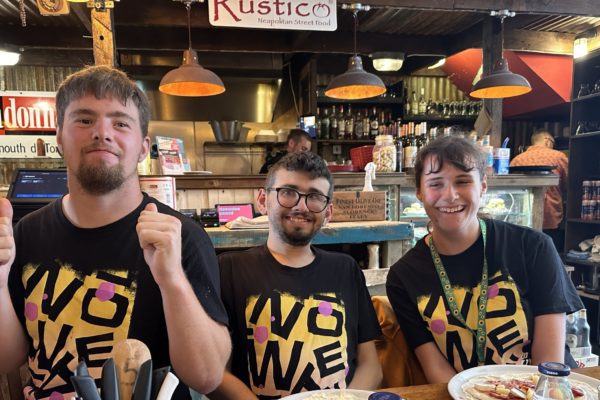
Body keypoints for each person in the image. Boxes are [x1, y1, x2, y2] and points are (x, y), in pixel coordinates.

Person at [0, 65, 231, 399]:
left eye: (120, 123)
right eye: (84, 119)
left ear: (142, 146)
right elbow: (9, 358)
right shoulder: (28, 233)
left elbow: (207, 377)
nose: (102, 133)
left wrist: (173, 281)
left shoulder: (182, 237)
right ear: (59, 139)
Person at [386, 136, 582, 384]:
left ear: (483, 187)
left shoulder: (533, 247)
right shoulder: (403, 277)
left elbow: (549, 365)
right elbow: (434, 368)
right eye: (436, 184)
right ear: (419, 193)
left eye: (463, 181)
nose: (450, 195)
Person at [211, 152, 382, 399]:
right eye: (288, 192)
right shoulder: (229, 269)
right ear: (263, 200)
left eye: (314, 197)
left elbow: (371, 366)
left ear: (328, 212)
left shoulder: (345, 269)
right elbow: (216, 373)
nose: (301, 206)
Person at [510, 130, 568, 250]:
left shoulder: (517, 159)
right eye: (553, 142)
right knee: (549, 253)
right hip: (550, 215)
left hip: (522, 215)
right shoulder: (559, 156)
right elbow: (569, 184)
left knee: (525, 252)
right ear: (547, 141)